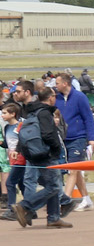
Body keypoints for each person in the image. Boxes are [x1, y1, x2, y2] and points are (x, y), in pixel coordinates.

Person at [16, 81, 69, 228]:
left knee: (50, 185)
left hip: (34, 153)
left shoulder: (32, 111)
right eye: (54, 95)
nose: (55, 98)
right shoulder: (45, 113)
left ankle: (53, 218)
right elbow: (47, 134)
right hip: (46, 154)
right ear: (50, 97)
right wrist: (56, 148)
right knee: (54, 187)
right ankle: (25, 206)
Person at [54, 72, 94, 214]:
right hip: (62, 139)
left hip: (78, 138)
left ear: (65, 83)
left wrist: (92, 138)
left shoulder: (80, 97)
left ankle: (65, 201)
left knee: (72, 169)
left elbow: (88, 118)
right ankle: (86, 199)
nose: (55, 86)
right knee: (76, 170)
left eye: (57, 83)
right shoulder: (56, 98)